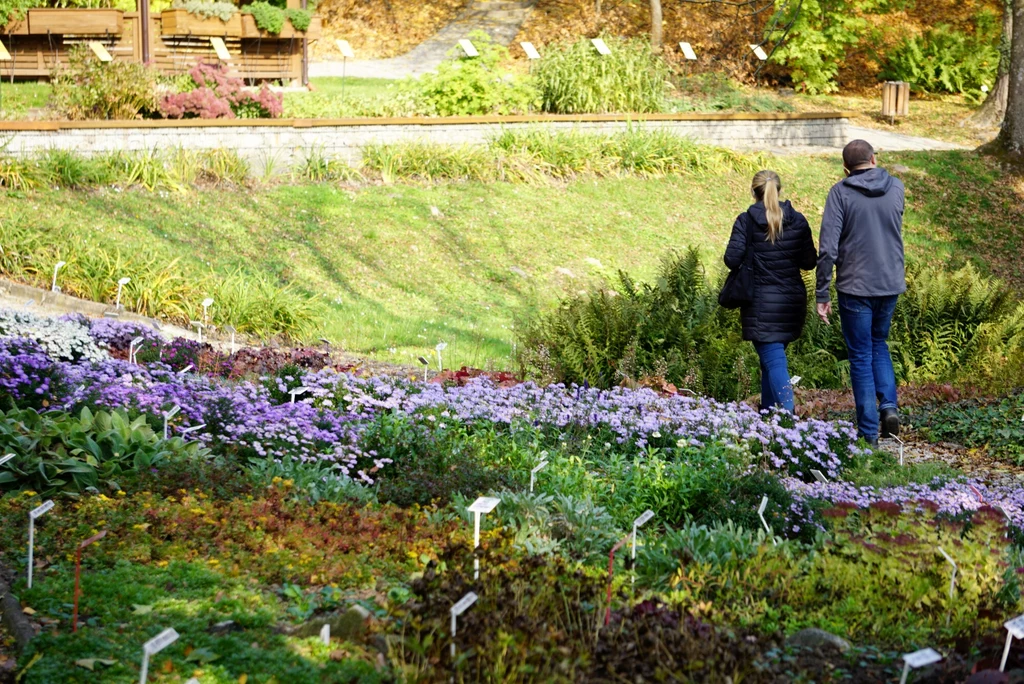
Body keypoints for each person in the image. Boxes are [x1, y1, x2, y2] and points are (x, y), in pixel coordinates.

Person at [816, 139, 906, 446]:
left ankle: (868, 434)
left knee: (859, 355)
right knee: (878, 343)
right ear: (874, 158)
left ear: (845, 169)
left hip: (855, 285)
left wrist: (822, 293)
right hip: (890, 282)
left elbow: (827, 248)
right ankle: (889, 407)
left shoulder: (840, 193)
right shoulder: (896, 187)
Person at [724, 170, 817, 414]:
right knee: (770, 361)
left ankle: (787, 416)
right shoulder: (798, 220)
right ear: (779, 190)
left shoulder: (746, 221)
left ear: (753, 192)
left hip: (760, 302)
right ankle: (768, 415)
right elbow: (809, 261)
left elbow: (731, 259)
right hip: (791, 301)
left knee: (774, 361)